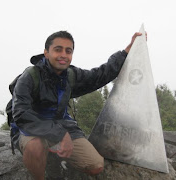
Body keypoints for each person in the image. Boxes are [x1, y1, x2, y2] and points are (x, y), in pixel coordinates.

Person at [11, 30, 143, 180]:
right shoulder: (30, 76)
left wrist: (125, 52)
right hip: (32, 128)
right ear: (46, 53)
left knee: (95, 165)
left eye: (68, 51)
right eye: (58, 49)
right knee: (35, 147)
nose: (63, 55)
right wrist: (60, 135)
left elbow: (100, 75)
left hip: (61, 124)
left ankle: (55, 158)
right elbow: (21, 113)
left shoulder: (71, 75)